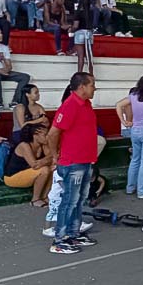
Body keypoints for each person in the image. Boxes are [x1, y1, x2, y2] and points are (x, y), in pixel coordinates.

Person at [46, 72, 98, 254]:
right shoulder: (69, 106)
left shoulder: (85, 104)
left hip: (84, 160)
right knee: (69, 200)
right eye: (92, 85)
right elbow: (53, 133)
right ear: (82, 86)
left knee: (78, 199)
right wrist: (55, 156)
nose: (95, 88)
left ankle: (72, 233)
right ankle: (59, 240)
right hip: (73, 161)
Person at [4, 123, 53, 206]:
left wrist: (44, 160)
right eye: (45, 135)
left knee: (53, 168)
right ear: (35, 135)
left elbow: (53, 159)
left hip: (29, 173)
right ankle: (35, 200)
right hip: (12, 177)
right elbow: (35, 165)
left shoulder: (43, 145)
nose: (48, 137)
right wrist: (47, 159)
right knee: (44, 170)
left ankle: (45, 196)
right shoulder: (24, 145)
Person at [0, 26, 31, 108]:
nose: (1, 35)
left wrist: (6, 70)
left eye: (1, 33)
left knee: (25, 77)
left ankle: (15, 101)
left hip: (3, 72)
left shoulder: (4, 47)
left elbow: (9, 65)